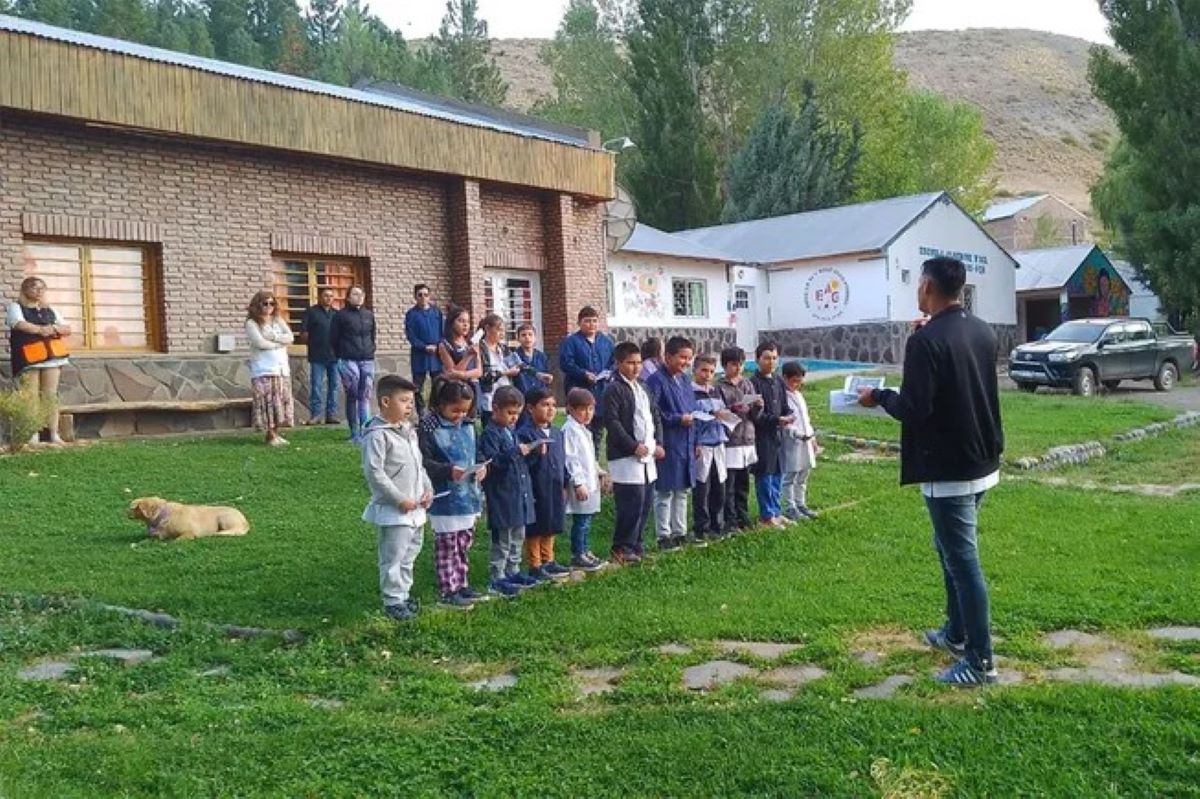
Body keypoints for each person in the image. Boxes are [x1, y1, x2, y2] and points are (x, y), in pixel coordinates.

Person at [858, 256, 1004, 687]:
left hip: (949, 467)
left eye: (918, 283)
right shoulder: (981, 330)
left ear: (926, 286)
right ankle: (956, 634)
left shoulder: (925, 342)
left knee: (962, 560)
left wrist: (879, 396)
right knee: (949, 550)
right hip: (982, 457)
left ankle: (981, 661)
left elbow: (914, 408)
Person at [360, 375, 433, 622]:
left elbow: (419, 465)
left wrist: (427, 489)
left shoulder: (409, 432)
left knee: (410, 554)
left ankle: (403, 594)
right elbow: (375, 474)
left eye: (411, 401)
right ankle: (392, 600)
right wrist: (398, 499)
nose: (409, 406)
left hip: (416, 510)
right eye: (403, 401)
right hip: (395, 512)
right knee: (394, 556)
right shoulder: (377, 435)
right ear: (385, 401)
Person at [418, 378, 490, 610]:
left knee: (464, 542)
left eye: (464, 411)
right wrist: (448, 471)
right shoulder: (430, 427)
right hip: (445, 496)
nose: (459, 415)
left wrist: (481, 467)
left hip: (468, 495)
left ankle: (462, 583)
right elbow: (424, 462)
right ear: (441, 404)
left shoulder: (469, 426)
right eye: (455, 410)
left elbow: (477, 454)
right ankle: (448, 588)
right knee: (448, 544)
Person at [604, 342, 663, 565]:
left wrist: (659, 442)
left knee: (646, 500)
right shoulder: (614, 389)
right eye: (630, 363)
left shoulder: (643, 387)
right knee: (631, 501)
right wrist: (632, 446)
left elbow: (654, 415)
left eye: (638, 363)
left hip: (648, 454)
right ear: (619, 363)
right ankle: (621, 546)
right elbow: (613, 422)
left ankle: (637, 544)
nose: (636, 367)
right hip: (626, 456)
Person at [479, 384, 538, 599]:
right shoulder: (490, 434)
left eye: (517, 414)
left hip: (518, 493)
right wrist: (515, 451)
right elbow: (493, 463)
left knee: (518, 536)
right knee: (503, 539)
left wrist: (531, 452)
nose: (514, 418)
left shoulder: (511, 432)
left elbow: (519, 462)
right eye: (510, 413)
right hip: (502, 494)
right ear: (495, 409)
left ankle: (513, 571)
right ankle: (497, 576)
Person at [646, 336, 699, 550]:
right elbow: (654, 412)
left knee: (683, 490)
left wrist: (696, 441)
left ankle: (680, 532)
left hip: (686, 441)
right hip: (668, 441)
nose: (686, 362)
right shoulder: (656, 380)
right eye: (682, 358)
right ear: (667, 357)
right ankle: (663, 535)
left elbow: (692, 408)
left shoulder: (685, 380)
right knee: (665, 491)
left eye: (689, 358)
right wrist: (678, 419)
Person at [6, 276, 71, 446]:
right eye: (34, 287)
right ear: (25, 289)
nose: (39, 291)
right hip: (29, 358)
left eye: (42, 288)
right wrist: (42, 330)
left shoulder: (51, 310)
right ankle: (33, 434)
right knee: (31, 397)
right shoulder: (16, 307)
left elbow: (67, 328)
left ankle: (53, 434)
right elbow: (19, 324)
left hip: (52, 358)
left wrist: (55, 328)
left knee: (50, 396)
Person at [519, 386, 572, 582]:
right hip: (536, 486)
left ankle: (548, 559)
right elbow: (524, 464)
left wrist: (566, 481)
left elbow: (562, 459)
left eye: (552, 405)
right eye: (544, 405)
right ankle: (535, 564)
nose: (550, 409)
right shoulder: (525, 433)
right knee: (536, 525)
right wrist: (535, 454)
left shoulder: (557, 433)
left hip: (555, 484)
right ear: (531, 408)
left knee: (551, 522)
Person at [715, 346, 760, 534]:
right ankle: (730, 520)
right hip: (730, 440)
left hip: (747, 439)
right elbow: (719, 413)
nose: (738, 369)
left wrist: (757, 406)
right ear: (725, 365)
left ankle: (743, 516)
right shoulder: (720, 386)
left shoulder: (747, 384)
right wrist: (733, 409)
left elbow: (755, 415)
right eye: (734, 365)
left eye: (740, 364)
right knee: (730, 484)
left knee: (743, 483)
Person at [244, 290, 295, 447]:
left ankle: (277, 433)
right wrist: (279, 344)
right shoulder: (252, 323)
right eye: (265, 303)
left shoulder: (278, 320)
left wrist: (274, 338)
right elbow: (259, 343)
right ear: (257, 305)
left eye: (272, 303)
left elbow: (291, 337)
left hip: (281, 369)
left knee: (280, 401)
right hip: (264, 369)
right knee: (268, 403)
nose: (268, 306)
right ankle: (270, 435)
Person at [559, 306, 615, 450]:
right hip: (580, 389)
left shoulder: (606, 341)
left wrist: (609, 372)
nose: (591, 325)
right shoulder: (571, 342)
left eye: (594, 321)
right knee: (581, 428)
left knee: (598, 429)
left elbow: (614, 362)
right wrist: (583, 374)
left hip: (601, 391)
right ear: (579, 323)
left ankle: (595, 460)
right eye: (587, 321)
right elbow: (566, 363)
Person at [563, 388, 606, 571]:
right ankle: (578, 553)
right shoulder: (570, 429)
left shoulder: (584, 429)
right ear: (571, 409)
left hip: (590, 481)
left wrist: (599, 471)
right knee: (581, 521)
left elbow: (589, 456)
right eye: (582, 409)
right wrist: (578, 483)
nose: (587, 414)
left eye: (591, 409)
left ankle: (585, 550)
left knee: (587, 519)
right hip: (580, 484)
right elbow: (571, 458)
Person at [750, 342, 792, 528]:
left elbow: (784, 406)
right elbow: (756, 415)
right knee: (765, 475)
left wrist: (789, 416)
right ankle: (766, 515)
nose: (771, 362)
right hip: (762, 436)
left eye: (774, 358)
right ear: (758, 359)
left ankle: (776, 510)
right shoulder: (753, 383)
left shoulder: (778, 381)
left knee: (778, 473)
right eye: (767, 357)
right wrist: (777, 420)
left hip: (778, 435)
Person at [330, 285, 377, 444]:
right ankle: (354, 433)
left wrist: (371, 350)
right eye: (355, 294)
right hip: (348, 359)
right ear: (348, 297)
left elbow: (372, 336)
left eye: (361, 294)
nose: (359, 297)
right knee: (352, 395)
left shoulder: (369, 315)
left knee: (365, 396)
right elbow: (333, 339)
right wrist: (341, 355)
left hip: (367, 359)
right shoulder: (340, 316)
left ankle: (366, 431)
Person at [691, 354, 728, 542]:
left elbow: (724, 414)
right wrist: (695, 442)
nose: (707, 375)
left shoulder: (715, 392)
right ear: (695, 370)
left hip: (718, 443)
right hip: (703, 445)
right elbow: (693, 420)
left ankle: (717, 524)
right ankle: (701, 528)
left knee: (719, 487)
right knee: (702, 488)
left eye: (711, 371)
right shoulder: (690, 393)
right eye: (703, 370)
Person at [780, 361, 819, 521]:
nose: (797, 385)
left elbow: (805, 419)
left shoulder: (799, 395)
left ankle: (800, 503)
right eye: (794, 381)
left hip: (806, 440)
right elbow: (784, 423)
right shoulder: (782, 397)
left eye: (800, 381)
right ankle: (789, 506)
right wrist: (796, 434)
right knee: (790, 475)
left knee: (803, 473)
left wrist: (812, 438)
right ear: (785, 378)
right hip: (792, 441)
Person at [300, 288, 339, 425]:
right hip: (317, 356)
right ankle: (316, 415)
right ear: (320, 297)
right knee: (316, 386)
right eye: (326, 295)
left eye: (331, 296)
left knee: (334, 386)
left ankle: (331, 415)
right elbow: (304, 332)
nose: (328, 298)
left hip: (335, 356)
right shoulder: (311, 312)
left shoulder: (336, 314)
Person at [404, 284, 444, 415]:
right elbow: (411, 335)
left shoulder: (436, 312)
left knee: (438, 384)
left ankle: (436, 411)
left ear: (429, 296)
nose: (423, 298)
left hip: (436, 355)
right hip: (420, 355)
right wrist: (424, 347)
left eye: (425, 295)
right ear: (415, 297)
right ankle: (422, 414)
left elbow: (443, 331)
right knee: (417, 387)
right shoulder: (411, 314)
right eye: (419, 295)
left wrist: (438, 346)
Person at [438, 305, 483, 418]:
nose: (465, 325)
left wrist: (463, 375)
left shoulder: (471, 342)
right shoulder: (445, 345)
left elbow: (479, 371)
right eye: (461, 321)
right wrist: (467, 356)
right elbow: (452, 373)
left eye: (467, 321)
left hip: (474, 386)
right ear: (452, 322)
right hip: (457, 390)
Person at [477, 314, 520, 417]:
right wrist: (505, 373)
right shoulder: (480, 348)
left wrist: (538, 375)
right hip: (489, 396)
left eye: (503, 331)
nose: (502, 334)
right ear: (487, 328)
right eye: (499, 330)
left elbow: (519, 364)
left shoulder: (504, 348)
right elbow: (484, 375)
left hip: (506, 394)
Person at [512, 323, 554, 396]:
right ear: (518, 338)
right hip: (521, 395)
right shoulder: (514, 356)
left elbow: (547, 376)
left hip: (539, 396)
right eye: (523, 335)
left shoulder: (542, 357)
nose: (527, 338)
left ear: (535, 338)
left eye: (530, 334)